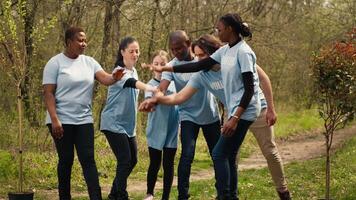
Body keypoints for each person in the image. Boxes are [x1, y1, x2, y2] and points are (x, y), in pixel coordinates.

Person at [141, 34, 291, 199]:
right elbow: (179, 97)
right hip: (232, 113)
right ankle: (226, 195)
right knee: (225, 154)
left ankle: (282, 191)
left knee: (267, 152)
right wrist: (156, 99)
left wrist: (271, 108)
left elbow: (263, 78)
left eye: (202, 55)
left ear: (214, 53)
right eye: (197, 56)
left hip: (257, 107)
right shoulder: (200, 74)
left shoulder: (234, 59)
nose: (199, 60)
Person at [43, 26, 125, 200]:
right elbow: (48, 93)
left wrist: (115, 77)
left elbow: (106, 79)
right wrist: (54, 119)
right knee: (66, 160)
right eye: (80, 40)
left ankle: (96, 197)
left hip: (84, 120)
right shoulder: (55, 63)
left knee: (88, 159)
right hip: (61, 120)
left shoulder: (89, 62)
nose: (84, 43)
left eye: (85, 40)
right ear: (68, 42)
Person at [147, 30, 221, 200]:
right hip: (188, 116)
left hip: (210, 115)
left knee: (217, 154)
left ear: (188, 44)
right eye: (173, 49)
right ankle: (182, 195)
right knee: (187, 154)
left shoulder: (200, 59)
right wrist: (154, 99)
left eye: (179, 48)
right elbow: (162, 87)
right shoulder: (171, 67)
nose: (176, 52)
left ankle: (222, 192)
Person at [100, 36, 157, 200]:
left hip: (128, 125)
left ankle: (113, 194)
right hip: (113, 122)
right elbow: (133, 83)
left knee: (132, 160)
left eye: (137, 51)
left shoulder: (134, 70)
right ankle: (121, 195)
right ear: (122, 52)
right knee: (125, 159)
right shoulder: (118, 72)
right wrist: (151, 88)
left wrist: (148, 101)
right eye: (131, 51)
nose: (135, 54)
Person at [143, 50, 180, 200]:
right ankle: (150, 193)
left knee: (168, 164)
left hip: (172, 128)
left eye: (163, 64)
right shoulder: (149, 85)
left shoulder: (175, 84)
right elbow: (149, 104)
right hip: (156, 129)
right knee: (155, 162)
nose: (159, 67)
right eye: (156, 64)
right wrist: (151, 104)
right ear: (152, 66)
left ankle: (166, 196)